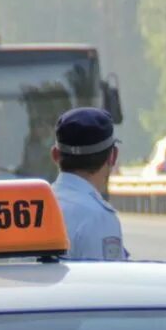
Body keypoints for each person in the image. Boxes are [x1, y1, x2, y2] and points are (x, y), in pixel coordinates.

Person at [50, 107, 128, 260]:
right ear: (113, 156)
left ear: (55, 155)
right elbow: (109, 282)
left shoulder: (33, 208)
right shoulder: (98, 217)